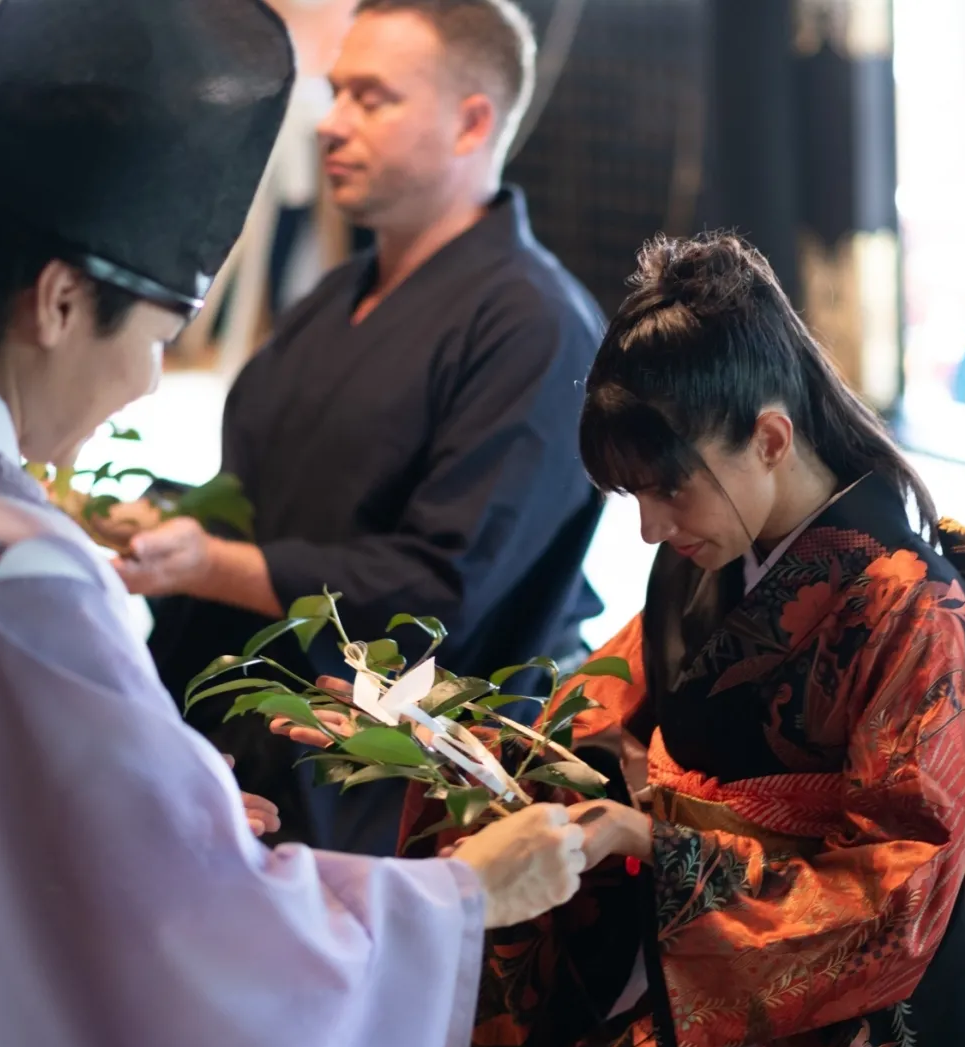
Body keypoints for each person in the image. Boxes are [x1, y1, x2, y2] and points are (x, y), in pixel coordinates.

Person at [0, 3, 601, 1047]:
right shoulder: (6, 566)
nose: (154, 378)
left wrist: (172, 799)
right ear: (60, 301)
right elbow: (197, 929)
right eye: (155, 335)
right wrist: (460, 897)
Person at [276, 233, 965, 1047]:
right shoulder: (707, 559)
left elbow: (895, 901)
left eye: (667, 489)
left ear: (769, 437)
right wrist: (433, 737)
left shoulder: (916, 613)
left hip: (827, 1020)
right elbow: (584, 721)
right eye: (635, 496)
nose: (650, 528)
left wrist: (657, 838)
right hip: (683, 940)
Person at [120, 0, 608, 858]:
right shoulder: (330, 301)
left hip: (389, 782)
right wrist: (161, 523)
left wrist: (212, 563)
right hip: (248, 740)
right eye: (336, 91)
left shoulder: (537, 325)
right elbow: (263, 495)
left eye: (371, 98)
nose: (331, 123)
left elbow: (441, 592)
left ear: (471, 122)